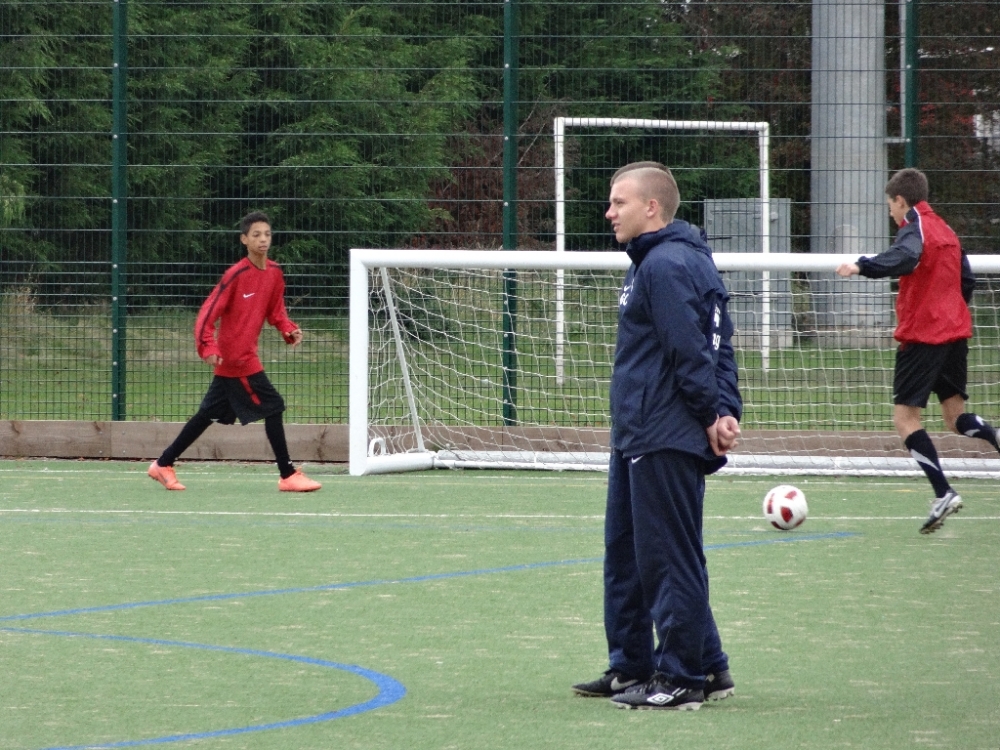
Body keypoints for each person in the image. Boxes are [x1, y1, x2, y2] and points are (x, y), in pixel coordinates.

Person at [572, 164, 742, 710]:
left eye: (618, 202)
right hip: (638, 431)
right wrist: (723, 408)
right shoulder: (665, 259)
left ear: (651, 208)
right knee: (628, 554)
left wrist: (714, 412)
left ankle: (681, 678)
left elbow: (693, 350)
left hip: (662, 432)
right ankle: (644, 666)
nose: (609, 212)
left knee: (669, 558)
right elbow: (719, 343)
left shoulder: (666, 264)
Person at [836, 167, 998, 533]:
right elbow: (967, 280)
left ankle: (943, 492)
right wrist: (951, 311)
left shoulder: (915, 227)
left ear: (900, 200)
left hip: (925, 337)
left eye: (890, 205)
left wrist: (861, 266)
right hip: (954, 335)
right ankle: (996, 436)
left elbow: (905, 257)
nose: (891, 212)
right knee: (955, 417)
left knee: (905, 419)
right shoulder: (946, 229)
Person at [147, 211, 322, 493]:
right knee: (274, 406)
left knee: (207, 415)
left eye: (267, 234)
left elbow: (276, 311)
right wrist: (208, 346)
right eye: (256, 235)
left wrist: (288, 329)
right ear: (244, 240)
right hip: (237, 360)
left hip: (242, 359)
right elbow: (208, 313)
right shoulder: (236, 274)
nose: (263, 239)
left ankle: (162, 464)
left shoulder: (275, 273)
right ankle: (288, 474)